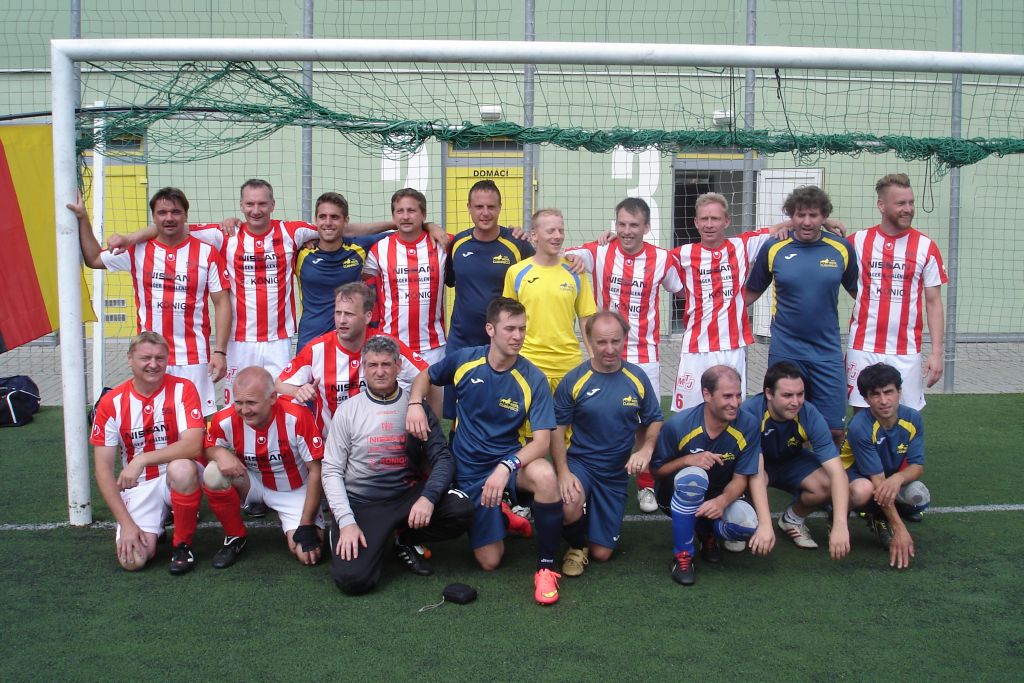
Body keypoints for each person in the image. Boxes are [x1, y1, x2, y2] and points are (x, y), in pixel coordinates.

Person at [406, 298, 565, 605]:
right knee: (490, 561)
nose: (517, 336)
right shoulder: (465, 361)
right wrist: (415, 403)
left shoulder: (533, 378)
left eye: (522, 329)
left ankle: (545, 568)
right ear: (490, 329)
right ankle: (503, 516)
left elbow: (542, 442)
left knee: (546, 476)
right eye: (510, 329)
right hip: (468, 470)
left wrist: (506, 466)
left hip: (509, 464)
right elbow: (426, 375)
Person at [322, 335, 474, 595]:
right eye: (373, 365)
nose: (380, 372)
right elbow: (331, 471)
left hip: (406, 498)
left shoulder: (415, 407)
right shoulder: (348, 411)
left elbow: (443, 458)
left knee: (461, 508)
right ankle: (347, 532)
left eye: (386, 364)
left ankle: (404, 538)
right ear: (363, 367)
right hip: (364, 504)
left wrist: (428, 498)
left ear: (399, 366)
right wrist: (346, 521)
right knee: (353, 581)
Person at [563, 197, 683, 512]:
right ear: (614, 225)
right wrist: (580, 253)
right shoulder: (599, 251)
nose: (627, 231)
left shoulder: (662, 259)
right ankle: (590, 475)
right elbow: (562, 256)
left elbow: (679, 287)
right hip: (604, 350)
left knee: (646, 421)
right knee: (597, 414)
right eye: (622, 224)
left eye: (634, 225)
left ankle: (646, 484)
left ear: (647, 227)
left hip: (645, 352)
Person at [73, 188, 230, 417]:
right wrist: (82, 217)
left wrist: (220, 352)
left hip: (193, 356)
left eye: (176, 212)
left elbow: (222, 303)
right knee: (154, 420)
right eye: (162, 212)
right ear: (154, 217)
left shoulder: (207, 253)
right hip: (151, 356)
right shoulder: (136, 250)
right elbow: (94, 259)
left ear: (186, 215)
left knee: (195, 422)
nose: (169, 218)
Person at [745, 186, 858, 448]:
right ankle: (796, 469)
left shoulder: (841, 248)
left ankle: (827, 472)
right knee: (785, 424)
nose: (807, 222)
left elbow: (860, 294)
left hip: (827, 351)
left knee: (834, 430)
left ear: (824, 217)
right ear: (791, 216)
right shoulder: (775, 247)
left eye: (814, 215)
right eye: (800, 215)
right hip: (786, 349)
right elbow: (750, 293)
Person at [552, 311, 663, 576]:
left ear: (625, 339)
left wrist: (646, 449)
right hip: (581, 464)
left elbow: (655, 419)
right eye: (601, 342)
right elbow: (557, 430)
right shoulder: (575, 380)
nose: (610, 349)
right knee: (568, 502)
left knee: (602, 553)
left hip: (615, 473)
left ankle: (588, 522)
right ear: (589, 341)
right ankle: (577, 546)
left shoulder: (637, 377)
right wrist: (563, 472)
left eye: (615, 341)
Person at [89, 332, 206, 574]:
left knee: (182, 468)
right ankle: (156, 526)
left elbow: (194, 446)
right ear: (130, 359)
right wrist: (126, 524)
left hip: (177, 475)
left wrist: (142, 459)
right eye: (145, 358)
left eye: (159, 358)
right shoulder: (111, 403)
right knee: (133, 561)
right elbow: (103, 471)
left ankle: (182, 545)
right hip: (140, 485)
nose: (153, 364)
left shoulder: (183, 389)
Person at [650, 366, 774, 586]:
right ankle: (682, 556)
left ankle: (707, 532)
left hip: (720, 494)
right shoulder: (679, 425)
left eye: (738, 395)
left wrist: (722, 501)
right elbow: (656, 471)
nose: (735, 403)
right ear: (707, 394)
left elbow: (741, 478)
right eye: (727, 396)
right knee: (694, 477)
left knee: (747, 525)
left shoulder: (748, 424)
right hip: (676, 495)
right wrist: (687, 460)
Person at [202, 366, 326, 567]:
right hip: (253, 482)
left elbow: (316, 470)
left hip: (294, 490)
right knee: (213, 473)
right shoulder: (224, 419)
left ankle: (297, 520)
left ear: (272, 398)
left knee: (308, 554)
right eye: (239, 402)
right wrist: (218, 453)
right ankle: (235, 536)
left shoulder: (296, 416)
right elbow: (208, 446)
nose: (244, 410)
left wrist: (306, 523)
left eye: (251, 403)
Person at [846, 173, 947, 410]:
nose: (908, 209)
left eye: (911, 202)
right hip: (862, 345)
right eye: (901, 203)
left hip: (906, 349)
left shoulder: (926, 246)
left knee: (906, 417)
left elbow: (933, 302)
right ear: (881, 205)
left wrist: (936, 353)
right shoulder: (857, 241)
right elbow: (825, 253)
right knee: (862, 415)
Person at [276, 282, 427, 435]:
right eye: (338, 313)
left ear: (368, 316)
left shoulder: (385, 344)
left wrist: (415, 403)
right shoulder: (316, 349)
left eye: (349, 314)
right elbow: (279, 384)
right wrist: (298, 391)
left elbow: (425, 373)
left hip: (380, 441)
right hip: (331, 443)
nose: (341, 320)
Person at [740, 362, 850, 557]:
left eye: (800, 394)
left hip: (791, 460)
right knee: (745, 482)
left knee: (827, 484)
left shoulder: (809, 413)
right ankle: (741, 523)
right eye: (787, 395)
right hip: (757, 465)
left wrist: (841, 525)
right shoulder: (750, 413)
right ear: (769, 393)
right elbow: (756, 470)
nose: (796, 402)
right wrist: (765, 524)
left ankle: (792, 519)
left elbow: (837, 472)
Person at [444, 179, 534, 419]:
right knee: (457, 409)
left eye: (491, 207)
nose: (485, 213)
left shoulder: (517, 244)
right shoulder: (458, 243)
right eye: (479, 207)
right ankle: (455, 443)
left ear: (500, 208)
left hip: (499, 341)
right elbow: (449, 280)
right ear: (469, 208)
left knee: (498, 405)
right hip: (462, 339)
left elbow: (541, 269)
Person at [841, 363, 930, 569]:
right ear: (866, 399)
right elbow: (878, 482)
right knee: (864, 491)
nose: (883, 401)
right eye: (875, 394)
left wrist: (898, 478)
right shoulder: (860, 426)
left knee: (919, 495)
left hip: (886, 477)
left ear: (899, 392)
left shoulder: (913, 419)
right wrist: (900, 529)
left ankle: (881, 516)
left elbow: (917, 466)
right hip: (854, 478)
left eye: (889, 392)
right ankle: (839, 511)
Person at [502, 208, 597, 393]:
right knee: (531, 414)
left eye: (561, 230)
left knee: (567, 414)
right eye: (551, 231)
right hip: (529, 364)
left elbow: (587, 319)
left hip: (569, 366)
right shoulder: (516, 272)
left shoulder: (575, 271)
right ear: (534, 235)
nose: (558, 236)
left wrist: (595, 360)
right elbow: (507, 320)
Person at [294, 192, 389, 349]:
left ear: (346, 221)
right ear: (315, 220)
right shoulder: (299, 253)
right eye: (322, 217)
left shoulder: (358, 248)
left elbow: (405, 231)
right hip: (311, 343)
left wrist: (428, 226)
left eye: (334, 217)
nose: (328, 222)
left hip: (350, 343)